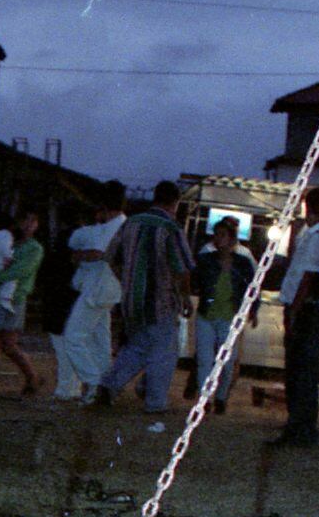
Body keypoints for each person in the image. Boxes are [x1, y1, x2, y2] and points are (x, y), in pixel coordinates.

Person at [98, 181, 194, 433]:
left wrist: (127, 281)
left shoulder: (131, 223)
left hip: (131, 301)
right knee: (163, 351)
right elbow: (182, 268)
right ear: (175, 202)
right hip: (160, 301)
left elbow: (110, 257)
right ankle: (155, 402)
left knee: (137, 347)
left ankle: (108, 385)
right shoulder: (171, 228)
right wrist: (186, 297)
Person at [272, 186, 319, 449]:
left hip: (307, 309)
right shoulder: (315, 233)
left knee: (302, 371)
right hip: (306, 308)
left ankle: (301, 428)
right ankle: (298, 424)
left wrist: (294, 310)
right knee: (300, 370)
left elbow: (308, 277)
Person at [50, 187, 125, 403]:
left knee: (73, 337)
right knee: (101, 341)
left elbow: (98, 253)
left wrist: (77, 256)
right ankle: (105, 384)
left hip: (98, 288)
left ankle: (94, 384)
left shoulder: (111, 227)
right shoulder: (117, 224)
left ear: (103, 208)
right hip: (107, 289)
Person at [193, 215, 255, 413]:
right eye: (217, 235)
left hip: (229, 316)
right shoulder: (205, 259)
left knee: (226, 362)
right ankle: (207, 399)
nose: (218, 239)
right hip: (208, 315)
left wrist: (253, 309)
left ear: (231, 238)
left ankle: (219, 396)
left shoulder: (243, 262)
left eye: (222, 235)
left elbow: (251, 289)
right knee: (205, 360)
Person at [0, 206, 43, 395]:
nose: (28, 225)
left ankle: (31, 376)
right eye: (26, 220)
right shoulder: (10, 242)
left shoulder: (33, 248)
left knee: (7, 344)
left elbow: (22, 271)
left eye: (32, 221)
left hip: (13, 297)